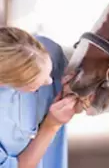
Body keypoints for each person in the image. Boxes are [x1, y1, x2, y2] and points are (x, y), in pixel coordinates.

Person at [0, 26, 78, 168]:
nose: (50, 82)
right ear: (6, 82)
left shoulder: (50, 50)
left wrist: (76, 86)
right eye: (35, 84)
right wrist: (52, 125)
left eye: (50, 72)